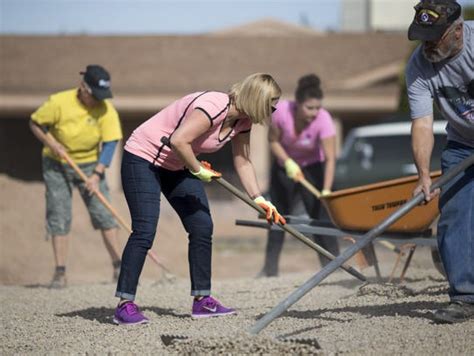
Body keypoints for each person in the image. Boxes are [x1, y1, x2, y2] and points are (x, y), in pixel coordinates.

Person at [113, 73, 286, 325]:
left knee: (202, 226)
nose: (274, 108)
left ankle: (202, 301)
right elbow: (178, 140)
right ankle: (124, 304)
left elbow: (243, 160)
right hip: (143, 158)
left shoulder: (242, 122)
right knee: (144, 229)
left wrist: (260, 199)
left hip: (178, 164)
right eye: (272, 102)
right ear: (257, 98)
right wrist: (197, 169)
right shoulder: (213, 106)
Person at [406, 0, 473, 323]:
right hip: (462, 144)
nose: (427, 45)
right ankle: (464, 297)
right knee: (454, 216)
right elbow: (422, 123)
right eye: (423, 36)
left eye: (435, 37)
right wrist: (423, 176)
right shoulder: (419, 65)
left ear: (458, 31)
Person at [29, 65, 123, 289]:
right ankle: (60, 272)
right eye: (95, 95)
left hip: (91, 164)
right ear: (84, 87)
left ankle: (120, 267)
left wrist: (97, 174)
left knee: (104, 214)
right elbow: (35, 123)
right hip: (56, 164)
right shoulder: (59, 102)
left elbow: (110, 143)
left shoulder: (106, 109)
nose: (99, 101)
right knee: (59, 214)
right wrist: (51, 143)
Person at [258, 74, 339, 277]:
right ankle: (270, 272)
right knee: (277, 218)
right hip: (285, 168)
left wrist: (326, 191)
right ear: (298, 104)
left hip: (313, 168)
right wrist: (287, 162)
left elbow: (330, 159)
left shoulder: (324, 120)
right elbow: (273, 141)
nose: (314, 113)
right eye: (309, 108)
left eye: (317, 108)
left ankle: (334, 268)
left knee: (321, 220)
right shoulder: (282, 113)